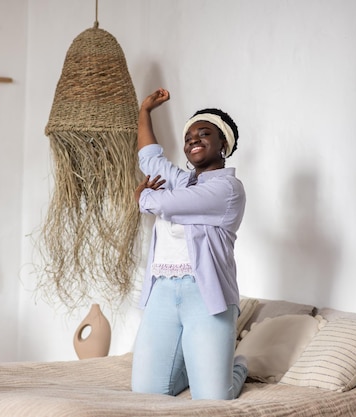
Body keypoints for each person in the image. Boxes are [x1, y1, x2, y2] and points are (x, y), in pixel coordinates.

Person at [131, 88, 248, 400]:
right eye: (188, 137)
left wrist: (144, 196)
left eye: (204, 133)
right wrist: (145, 111)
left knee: (212, 399)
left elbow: (166, 204)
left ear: (224, 144)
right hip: (162, 292)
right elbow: (150, 158)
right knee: (146, 392)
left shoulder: (228, 189)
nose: (193, 140)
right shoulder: (180, 181)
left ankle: (237, 369)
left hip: (206, 297)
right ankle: (196, 366)